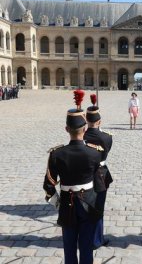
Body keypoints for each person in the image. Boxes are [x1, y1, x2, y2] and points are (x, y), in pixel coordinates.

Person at [43, 90, 103, 264]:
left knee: (69, 250)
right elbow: (100, 184)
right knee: (86, 250)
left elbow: (48, 185)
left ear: (66, 129)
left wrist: (57, 203)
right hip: (88, 203)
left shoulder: (57, 154)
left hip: (67, 205)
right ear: (84, 129)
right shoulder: (94, 153)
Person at [84, 94, 113, 250]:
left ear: (86, 121)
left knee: (85, 207)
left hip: (84, 176)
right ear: (99, 121)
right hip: (100, 175)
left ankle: (87, 236)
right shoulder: (107, 138)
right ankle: (97, 239)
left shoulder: (82, 136)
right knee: (98, 208)